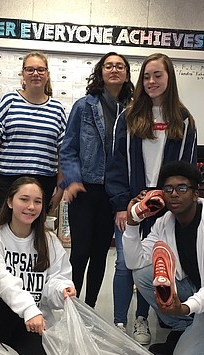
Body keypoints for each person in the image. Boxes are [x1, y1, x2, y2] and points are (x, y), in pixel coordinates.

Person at [106, 52, 197, 346]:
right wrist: (122, 205)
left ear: (169, 78)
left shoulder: (183, 120)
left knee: (153, 265)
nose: (151, 82)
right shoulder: (129, 116)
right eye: (146, 76)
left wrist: (173, 201)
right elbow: (116, 162)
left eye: (158, 75)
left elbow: (187, 167)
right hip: (133, 202)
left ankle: (144, 319)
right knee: (124, 263)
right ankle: (120, 322)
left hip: (166, 205)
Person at [123, 161, 204, 355]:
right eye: (168, 189)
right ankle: (184, 327)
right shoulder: (165, 222)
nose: (174, 194)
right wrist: (132, 222)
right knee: (142, 273)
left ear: (196, 194)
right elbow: (135, 261)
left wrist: (185, 307)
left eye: (182, 188)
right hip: (194, 289)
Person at [60, 52, 134, 310]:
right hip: (85, 188)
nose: (114, 70)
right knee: (79, 254)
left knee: (101, 254)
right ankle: (72, 308)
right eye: (108, 65)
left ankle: (88, 309)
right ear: (101, 72)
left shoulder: (134, 110)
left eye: (119, 66)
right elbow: (68, 148)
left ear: (126, 74)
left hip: (116, 192)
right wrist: (71, 179)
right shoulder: (84, 106)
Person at [0, 177, 75, 355]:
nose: (31, 207)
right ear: (9, 202)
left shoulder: (50, 241)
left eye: (37, 201)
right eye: (24, 199)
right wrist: (28, 309)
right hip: (0, 320)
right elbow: (1, 279)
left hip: (36, 324)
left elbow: (56, 279)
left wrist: (62, 290)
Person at [0, 52, 67, 220]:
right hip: (6, 183)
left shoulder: (57, 109)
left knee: (34, 238)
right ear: (23, 74)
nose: (35, 73)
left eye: (41, 70)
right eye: (30, 69)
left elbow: (63, 153)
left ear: (47, 75)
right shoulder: (8, 101)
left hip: (43, 183)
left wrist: (60, 190)